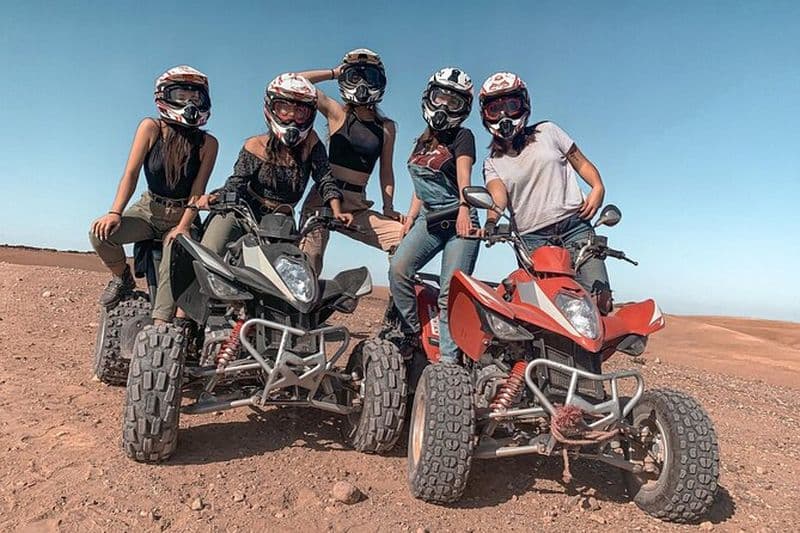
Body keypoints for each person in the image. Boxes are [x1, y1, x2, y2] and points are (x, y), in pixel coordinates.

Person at [89, 65, 218, 323]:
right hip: (148, 209)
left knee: (174, 250)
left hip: (184, 212)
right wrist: (115, 212)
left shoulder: (208, 144)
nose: (189, 103)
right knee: (100, 234)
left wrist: (182, 227)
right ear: (164, 96)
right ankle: (122, 277)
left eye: (195, 97)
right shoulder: (151, 128)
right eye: (181, 96)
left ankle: (161, 324)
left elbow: (197, 190)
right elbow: (131, 174)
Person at [479, 72, 612, 312]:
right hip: (531, 239)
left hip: (575, 226)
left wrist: (598, 187)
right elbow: (498, 197)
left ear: (524, 104)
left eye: (511, 105)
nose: (504, 115)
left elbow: (579, 161)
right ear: (484, 114)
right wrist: (491, 221)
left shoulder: (548, 131)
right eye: (494, 109)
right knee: (538, 311)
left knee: (599, 302)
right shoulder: (492, 163)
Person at [197, 73, 350, 258]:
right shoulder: (255, 145)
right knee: (208, 254)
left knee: (288, 270)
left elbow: (325, 178)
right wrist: (216, 197)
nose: (292, 117)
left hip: (281, 221)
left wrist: (337, 211)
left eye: (301, 112)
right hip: (243, 213)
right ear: (271, 109)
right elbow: (236, 183)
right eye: (284, 109)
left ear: (311, 114)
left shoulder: (311, 143)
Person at [388, 68, 480, 364]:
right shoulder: (422, 141)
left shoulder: (463, 137)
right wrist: (409, 220)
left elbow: (465, 176)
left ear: (463, 108)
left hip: (458, 220)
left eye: (453, 102)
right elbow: (420, 186)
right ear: (429, 97)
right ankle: (413, 335)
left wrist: (466, 208)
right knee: (399, 269)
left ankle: (448, 365)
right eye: (440, 97)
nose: (443, 106)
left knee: (449, 294)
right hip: (429, 219)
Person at [295, 48, 403, 274]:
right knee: (308, 264)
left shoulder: (387, 127)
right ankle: (304, 309)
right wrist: (334, 72)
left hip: (356, 205)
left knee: (404, 239)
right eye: (355, 76)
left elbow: (386, 170)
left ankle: (398, 306)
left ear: (379, 82)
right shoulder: (337, 114)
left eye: (369, 77)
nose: (362, 83)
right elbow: (294, 81)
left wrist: (389, 207)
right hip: (322, 199)